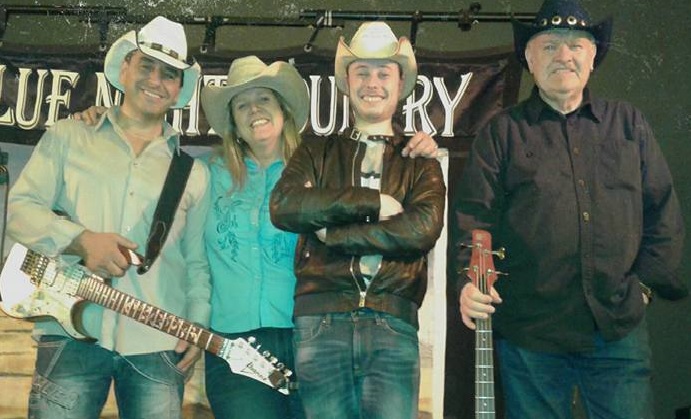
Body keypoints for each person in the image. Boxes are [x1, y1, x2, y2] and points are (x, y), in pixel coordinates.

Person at [453, 0, 687, 417]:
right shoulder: (501, 133)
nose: (564, 55)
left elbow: (663, 215)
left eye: (576, 45)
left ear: (592, 58)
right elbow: (474, 218)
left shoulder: (629, 124)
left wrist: (644, 289)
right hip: (530, 335)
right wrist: (466, 282)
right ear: (529, 60)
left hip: (616, 329)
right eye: (549, 46)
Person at [7, 17, 211, 419]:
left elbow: (197, 263)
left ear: (178, 89)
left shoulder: (195, 174)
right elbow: (19, 210)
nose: (155, 80)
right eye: (146, 66)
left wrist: (198, 324)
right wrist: (81, 240)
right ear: (125, 68)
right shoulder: (68, 136)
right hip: (69, 332)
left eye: (169, 74)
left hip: (159, 341)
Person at [269, 21, 446, 419]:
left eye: (384, 73)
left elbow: (421, 230)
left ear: (400, 84)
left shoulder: (421, 161)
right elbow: (285, 206)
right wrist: (372, 202)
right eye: (362, 72)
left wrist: (334, 233)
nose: (372, 83)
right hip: (320, 321)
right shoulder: (314, 150)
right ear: (347, 83)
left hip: (393, 322)